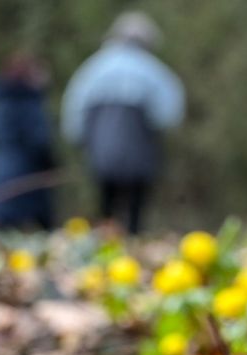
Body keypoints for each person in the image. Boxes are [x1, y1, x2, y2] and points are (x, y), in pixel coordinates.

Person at [62, 12, 184, 234]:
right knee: (136, 201)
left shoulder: (95, 67)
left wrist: (78, 137)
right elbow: (169, 110)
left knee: (106, 198)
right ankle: (133, 238)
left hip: (102, 149)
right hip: (140, 148)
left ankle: (106, 239)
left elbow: (75, 105)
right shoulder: (152, 70)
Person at [0, 53, 56, 230]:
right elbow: (39, 141)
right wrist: (51, 164)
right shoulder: (30, 104)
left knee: (2, 234)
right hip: (28, 178)